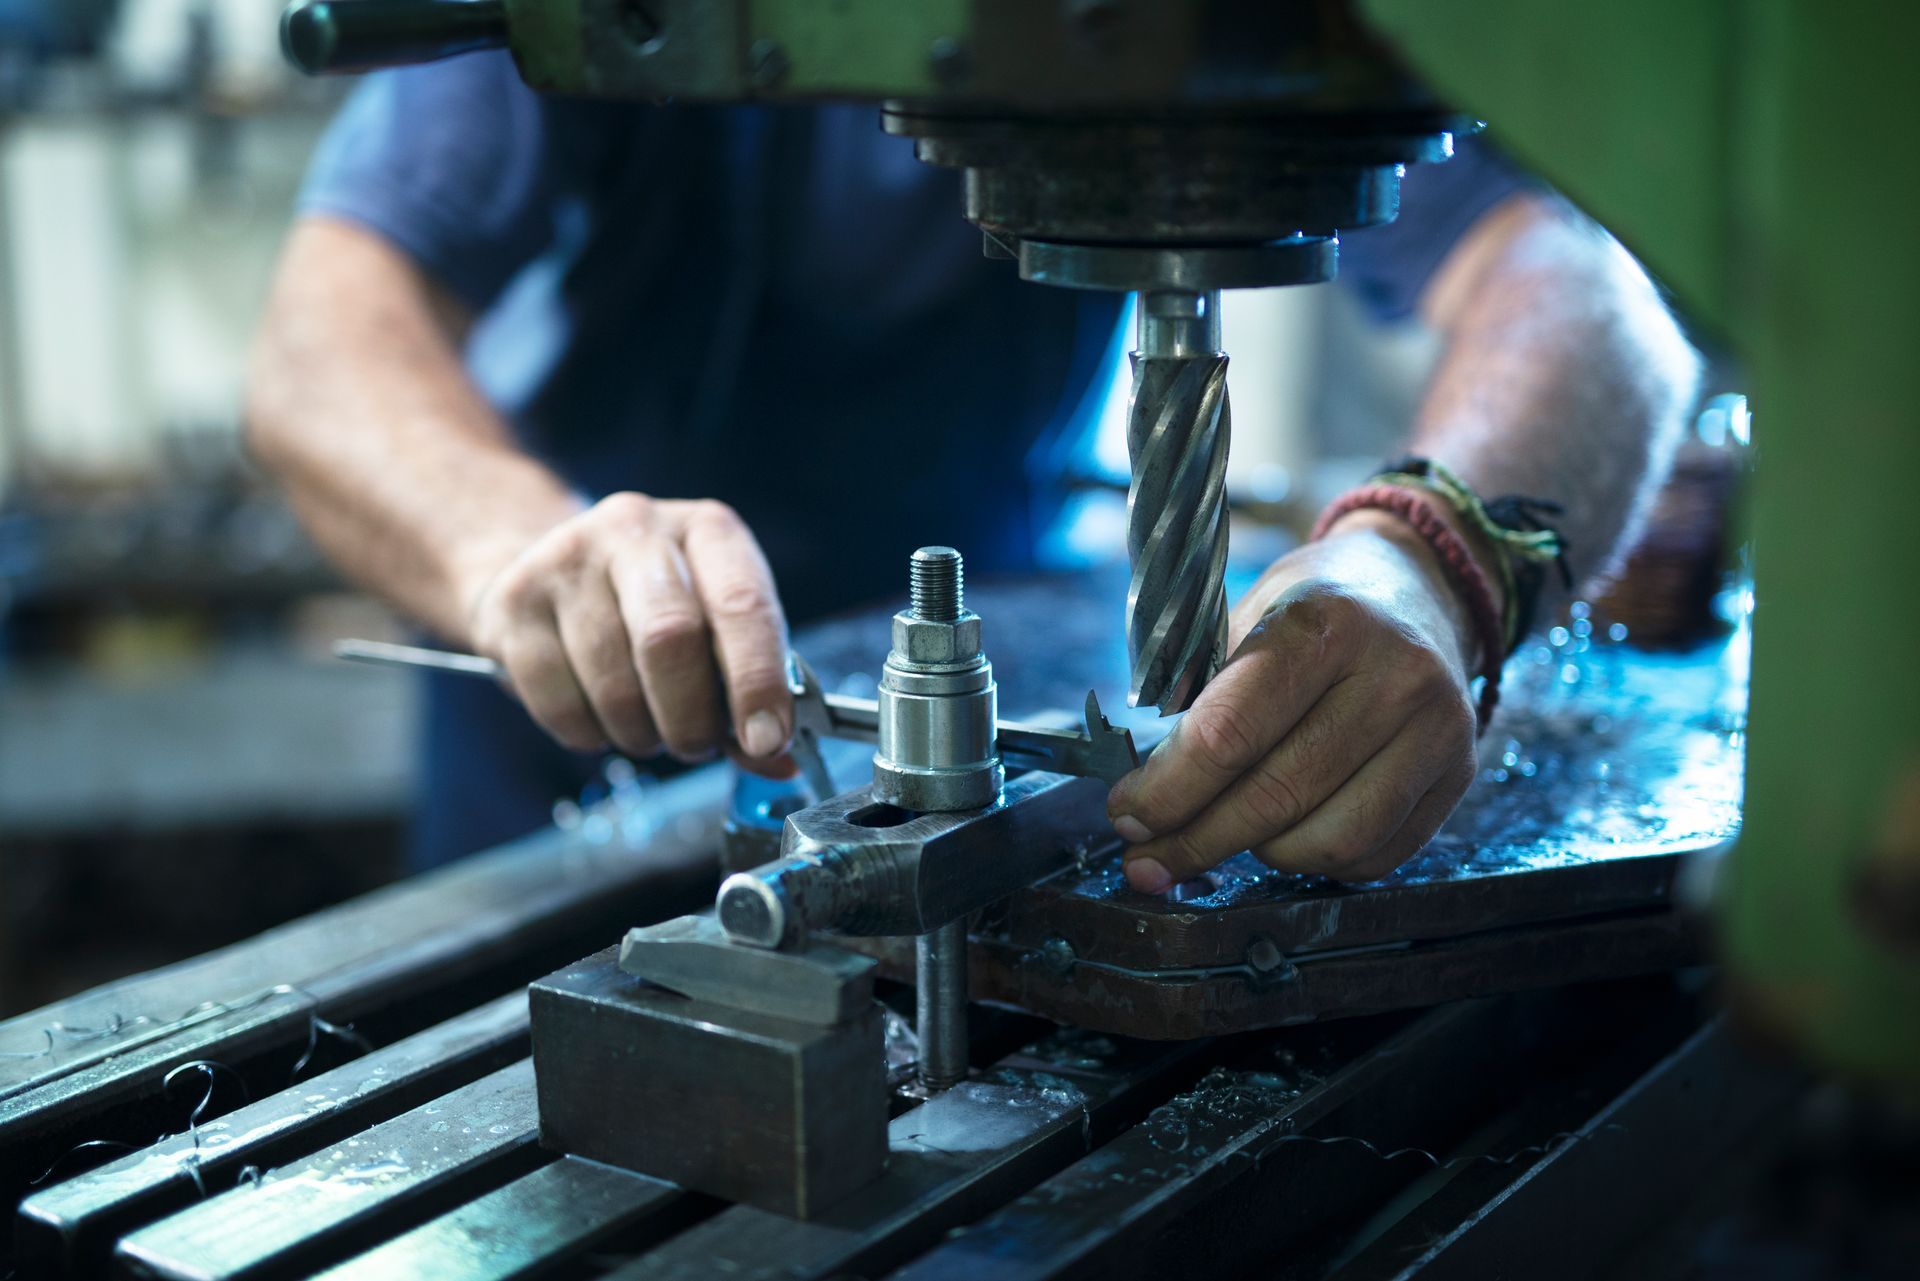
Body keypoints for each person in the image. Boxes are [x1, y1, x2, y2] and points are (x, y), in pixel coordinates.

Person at [247, 53, 1698, 884]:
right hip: (598, 793)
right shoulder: (614, 43)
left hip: (1014, 770)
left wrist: (1424, 558)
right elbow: (321, 347)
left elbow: (1586, 288)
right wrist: (514, 553)